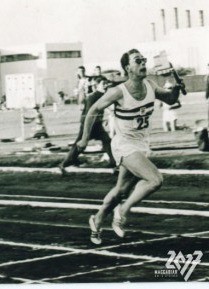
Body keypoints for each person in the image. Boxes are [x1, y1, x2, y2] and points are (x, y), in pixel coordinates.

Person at [76, 49, 182, 245]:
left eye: (144, 60)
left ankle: (97, 219)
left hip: (141, 145)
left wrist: (175, 88)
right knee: (154, 180)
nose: (143, 64)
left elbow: (170, 99)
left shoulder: (150, 85)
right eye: (138, 61)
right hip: (123, 144)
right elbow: (93, 109)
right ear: (128, 68)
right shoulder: (118, 91)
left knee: (121, 190)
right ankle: (123, 211)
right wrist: (84, 139)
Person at [59, 76, 116, 175]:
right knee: (80, 143)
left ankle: (113, 162)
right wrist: (88, 127)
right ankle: (64, 164)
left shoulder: (101, 95)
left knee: (107, 141)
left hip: (97, 125)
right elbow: (89, 114)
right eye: (103, 84)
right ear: (97, 85)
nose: (105, 86)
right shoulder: (93, 97)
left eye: (106, 84)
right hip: (88, 124)